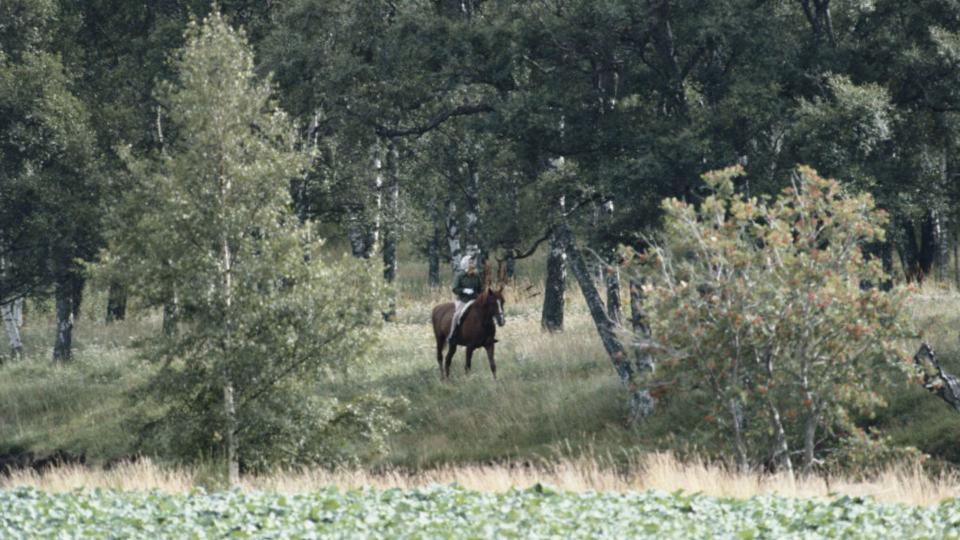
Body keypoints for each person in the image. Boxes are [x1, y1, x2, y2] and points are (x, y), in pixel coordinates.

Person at [449, 254, 482, 345]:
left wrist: (479, 295)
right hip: (463, 300)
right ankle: (452, 335)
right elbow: (455, 288)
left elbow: (480, 288)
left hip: (475, 300)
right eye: (470, 262)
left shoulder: (476, 275)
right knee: (457, 315)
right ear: (465, 264)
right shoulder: (460, 275)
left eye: (472, 262)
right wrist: (464, 290)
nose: (472, 264)